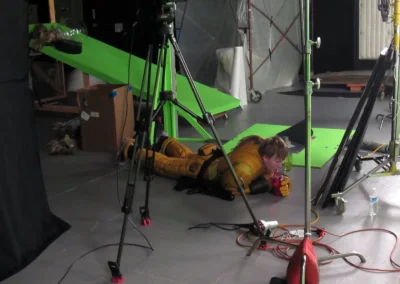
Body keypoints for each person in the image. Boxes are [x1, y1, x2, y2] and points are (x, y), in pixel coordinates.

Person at [118, 133, 292, 197]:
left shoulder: (259, 143)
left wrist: (275, 180)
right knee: (166, 164)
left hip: (212, 158)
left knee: (187, 156)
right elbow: (229, 187)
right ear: (266, 157)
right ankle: (131, 149)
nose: (280, 165)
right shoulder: (245, 170)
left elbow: (264, 170)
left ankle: (164, 140)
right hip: (201, 170)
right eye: (277, 161)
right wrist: (262, 186)